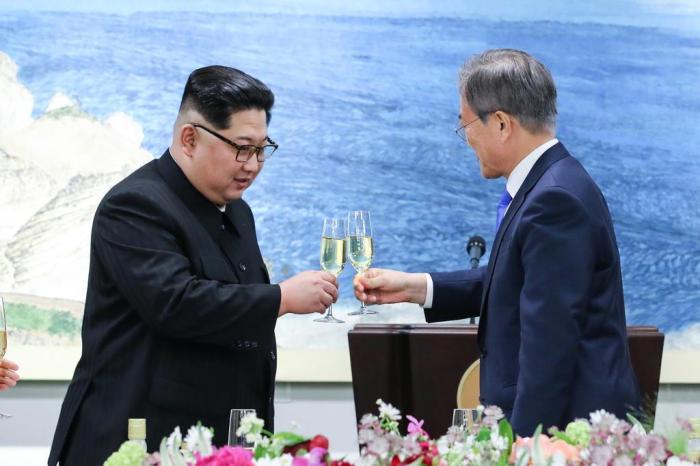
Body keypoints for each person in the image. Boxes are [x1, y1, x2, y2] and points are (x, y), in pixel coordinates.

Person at [49, 66, 338, 465]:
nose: (253, 165)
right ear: (190, 139)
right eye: (242, 147)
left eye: (261, 149)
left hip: (215, 443)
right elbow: (177, 303)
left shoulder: (238, 213)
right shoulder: (135, 205)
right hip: (136, 441)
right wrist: (281, 299)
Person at [354, 49, 640, 436]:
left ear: (502, 123)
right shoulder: (555, 183)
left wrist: (524, 444)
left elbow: (549, 348)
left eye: (465, 124)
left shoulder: (555, 200)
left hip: (564, 435)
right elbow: (521, 280)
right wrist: (415, 288)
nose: (465, 138)